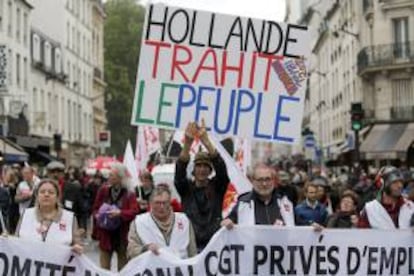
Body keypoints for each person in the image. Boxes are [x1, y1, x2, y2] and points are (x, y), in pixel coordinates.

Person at [174, 121, 230, 251]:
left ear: (210, 170)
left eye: (206, 166)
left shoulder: (217, 188)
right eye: (198, 166)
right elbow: (179, 172)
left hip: (214, 245)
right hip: (191, 245)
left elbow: (222, 171)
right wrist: (187, 144)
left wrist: (206, 141)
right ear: (193, 170)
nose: (202, 169)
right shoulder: (186, 189)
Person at [127, 185, 197, 259]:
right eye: (157, 203)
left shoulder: (184, 220)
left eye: (165, 203)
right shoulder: (139, 222)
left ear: (170, 203)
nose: (161, 206)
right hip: (152, 268)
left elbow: (192, 251)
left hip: (181, 268)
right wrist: (145, 249)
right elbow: (131, 251)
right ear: (150, 204)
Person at [15, 179, 83, 254]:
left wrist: (77, 248)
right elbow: (15, 241)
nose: (46, 195)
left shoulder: (69, 218)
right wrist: (6, 240)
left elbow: (77, 243)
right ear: (37, 196)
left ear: (57, 197)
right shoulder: (26, 214)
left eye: (51, 192)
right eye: (42, 192)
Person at [92, 163, 139, 271]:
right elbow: (95, 208)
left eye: (112, 175)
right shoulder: (103, 190)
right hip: (106, 235)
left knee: (123, 269)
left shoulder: (129, 193)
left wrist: (120, 213)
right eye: (109, 175)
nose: (109, 177)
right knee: (104, 270)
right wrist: (98, 215)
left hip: (122, 236)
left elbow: (134, 211)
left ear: (120, 177)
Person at [221, 164, 295, 229]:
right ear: (252, 181)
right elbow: (228, 220)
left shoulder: (285, 202)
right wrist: (227, 223)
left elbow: (298, 228)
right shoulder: (244, 203)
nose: (264, 184)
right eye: (260, 180)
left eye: (268, 179)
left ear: (273, 181)